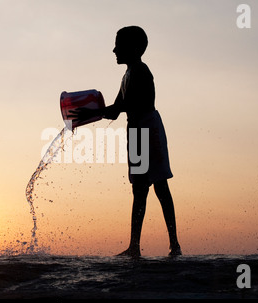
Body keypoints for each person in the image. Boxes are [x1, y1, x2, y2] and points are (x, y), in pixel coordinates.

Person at [70, 26, 181, 257]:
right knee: (139, 189)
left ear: (135, 48)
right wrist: (85, 113)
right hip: (136, 132)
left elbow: (122, 107)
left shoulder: (141, 72)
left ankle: (174, 245)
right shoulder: (126, 75)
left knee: (160, 185)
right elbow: (115, 111)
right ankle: (134, 246)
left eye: (118, 45)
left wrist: (86, 113)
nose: (113, 50)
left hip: (148, 130)